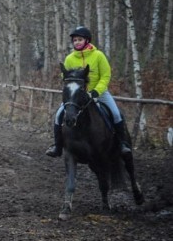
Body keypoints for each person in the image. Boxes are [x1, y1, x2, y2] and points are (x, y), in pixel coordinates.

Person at [46, 25, 132, 157]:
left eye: (79, 39)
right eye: (75, 40)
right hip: (76, 97)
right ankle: (57, 146)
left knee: (116, 114)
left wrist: (96, 91)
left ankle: (122, 144)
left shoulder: (98, 55)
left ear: (87, 40)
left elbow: (106, 75)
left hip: (99, 93)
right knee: (58, 116)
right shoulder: (69, 58)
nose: (77, 42)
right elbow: (65, 77)